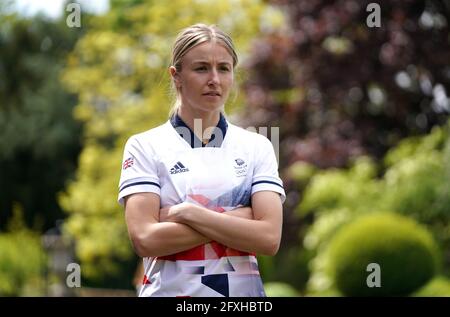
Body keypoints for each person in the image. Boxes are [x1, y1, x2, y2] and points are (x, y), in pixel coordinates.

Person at [118, 23, 285, 297]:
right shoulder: (144, 146)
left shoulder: (258, 146)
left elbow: (268, 238)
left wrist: (188, 213)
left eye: (223, 68)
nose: (214, 79)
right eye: (201, 68)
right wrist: (240, 217)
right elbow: (145, 239)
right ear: (176, 76)